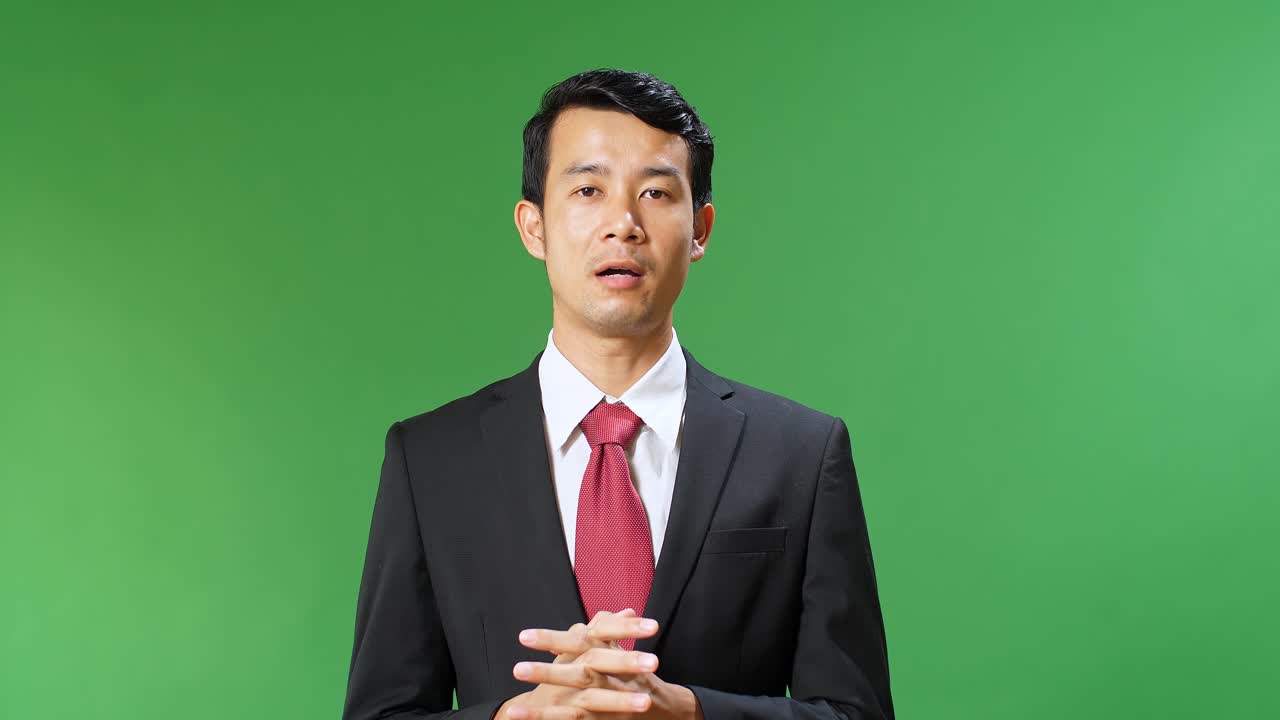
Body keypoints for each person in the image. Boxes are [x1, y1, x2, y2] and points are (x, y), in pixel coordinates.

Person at [341, 68, 895, 720]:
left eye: (656, 192)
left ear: (700, 230)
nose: (623, 223)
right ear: (533, 226)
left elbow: (857, 713)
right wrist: (510, 717)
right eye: (587, 189)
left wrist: (689, 712)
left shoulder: (802, 455)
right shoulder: (430, 460)